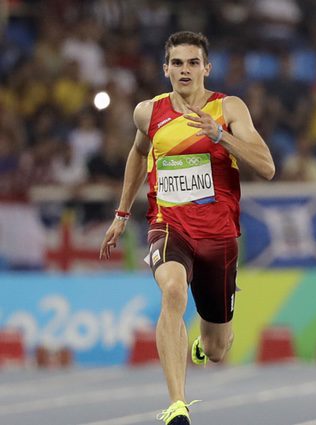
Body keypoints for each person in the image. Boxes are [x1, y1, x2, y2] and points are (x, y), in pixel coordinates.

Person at [99, 31, 275, 425]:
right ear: (165, 69)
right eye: (177, 63)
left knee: (217, 349)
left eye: (193, 63)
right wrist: (122, 213)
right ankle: (177, 404)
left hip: (219, 237)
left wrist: (220, 136)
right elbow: (137, 152)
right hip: (168, 226)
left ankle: (201, 345)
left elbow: (266, 166)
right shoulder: (149, 112)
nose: (184, 70)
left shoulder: (228, 108)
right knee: (174, 291)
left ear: (206, 68)